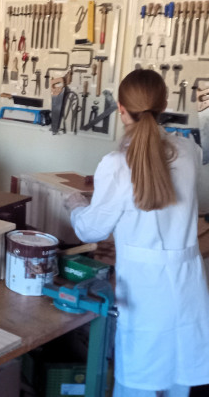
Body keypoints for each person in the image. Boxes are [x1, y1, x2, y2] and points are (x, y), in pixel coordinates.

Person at [67, 69, 209, 397]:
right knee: (178, 382)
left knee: (135, 386)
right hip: (187, 287)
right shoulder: (189, 151)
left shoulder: (117, 162)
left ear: (120, 108)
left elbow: (91, 228)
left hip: (145, 292)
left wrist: (74, 204)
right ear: (165, 104)